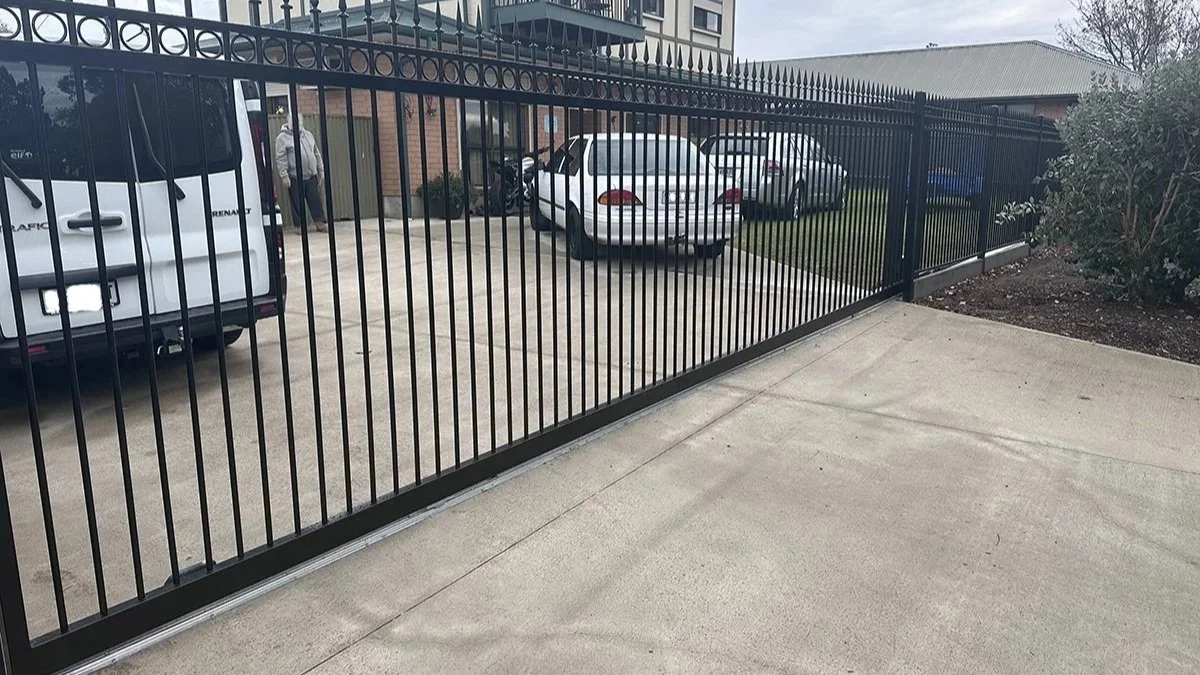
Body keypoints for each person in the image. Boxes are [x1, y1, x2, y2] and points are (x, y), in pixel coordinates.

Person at [275, 113, 327, 234]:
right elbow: (280, 158)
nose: (296, 123)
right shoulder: (282, 138)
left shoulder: (308, 135)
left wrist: (321, 169)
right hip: (294, 176)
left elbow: (316, 153)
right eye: (293, 121)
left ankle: (320, 223)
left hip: (311, 175)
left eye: (298, 121)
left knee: (315, 200)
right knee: (297, 204)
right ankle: (299, 226)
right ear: (288, 122)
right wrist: (284, 176)